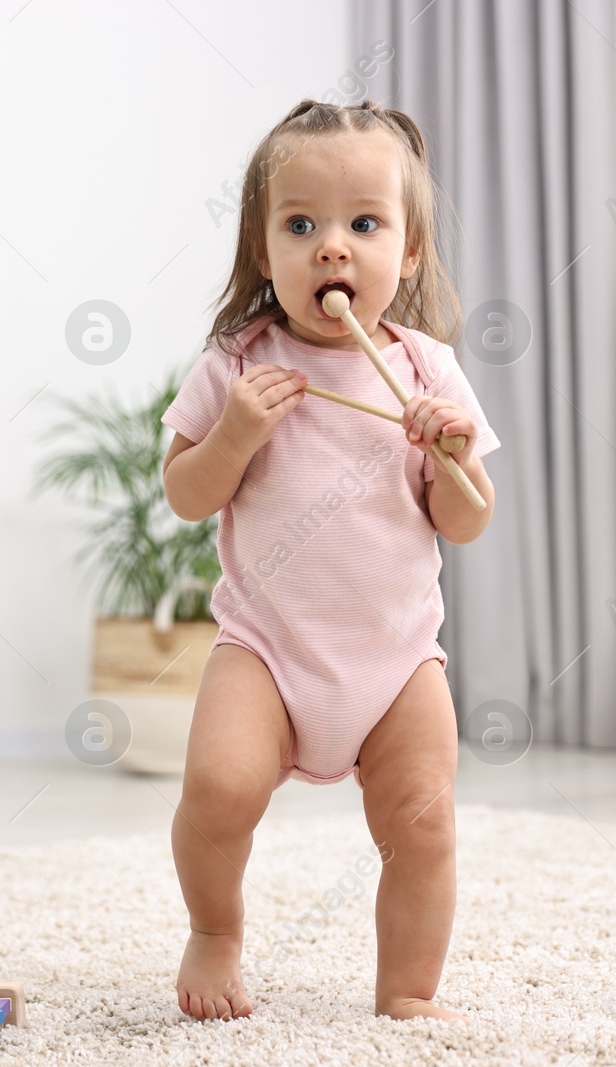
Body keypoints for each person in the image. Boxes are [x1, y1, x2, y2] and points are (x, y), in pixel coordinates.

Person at [159, 98, 501, 1023]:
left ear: (410, 252)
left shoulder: (426, 370)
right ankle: (215, 927)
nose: (333, 248)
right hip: (267, 650)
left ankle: (407, 990)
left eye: (364, 224)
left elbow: (466, 522)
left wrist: (451, 457)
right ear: (264, 253)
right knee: (219, 788)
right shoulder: (236, 363)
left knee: (423, 823)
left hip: (395, 659)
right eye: (301, 225)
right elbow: (186, 494)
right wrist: (232, 436)